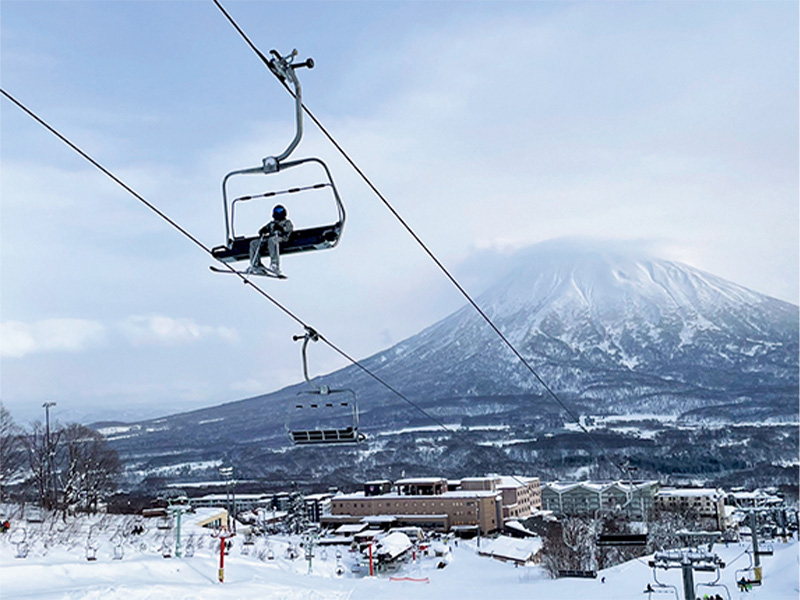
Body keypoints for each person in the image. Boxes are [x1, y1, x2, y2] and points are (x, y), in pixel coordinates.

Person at [248, 204, 293, 276]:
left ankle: (274, 264)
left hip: (281, 238)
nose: (278, 213)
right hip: (270, 239)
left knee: (272, 240)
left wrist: (280, 229)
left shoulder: (286, 222)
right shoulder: (272, 223)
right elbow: (264, 229)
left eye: (280, 211)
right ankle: (255, 264)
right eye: (276, 211)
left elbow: (288, 230)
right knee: (254, 243)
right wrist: (263, 230)